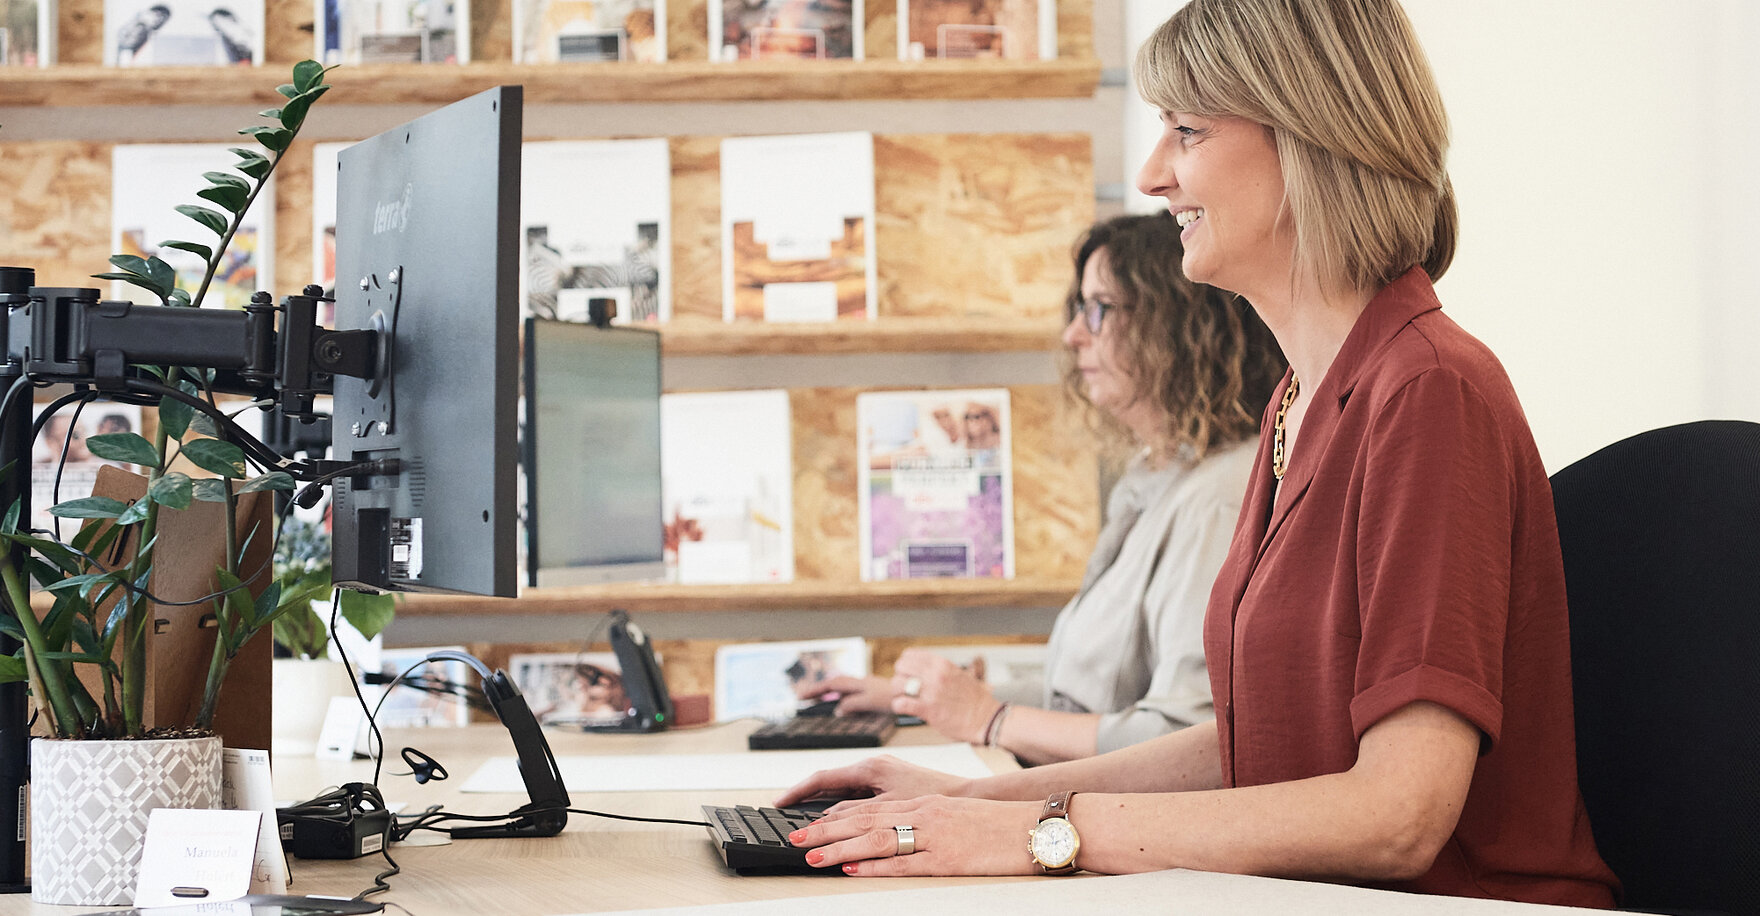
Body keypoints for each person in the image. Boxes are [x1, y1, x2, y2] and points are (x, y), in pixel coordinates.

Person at [775, 0, 1620, 906]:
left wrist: (1040, 833)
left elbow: (1397, 816)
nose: (1150, 175)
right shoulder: (1302, 400)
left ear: (1310, 136)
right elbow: (1252, 745)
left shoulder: (1427, 390)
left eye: (1186, 131)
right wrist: (970, 801)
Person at [802, 211, 1284, 765]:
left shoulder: (1218, 500)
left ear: (1178, 327)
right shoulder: (1157, 480)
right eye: (1079, 308)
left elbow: (1186, 736)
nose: (1072, 334)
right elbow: (1082, 706)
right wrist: (917, 699)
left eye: (1099, 309)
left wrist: (991, 718)